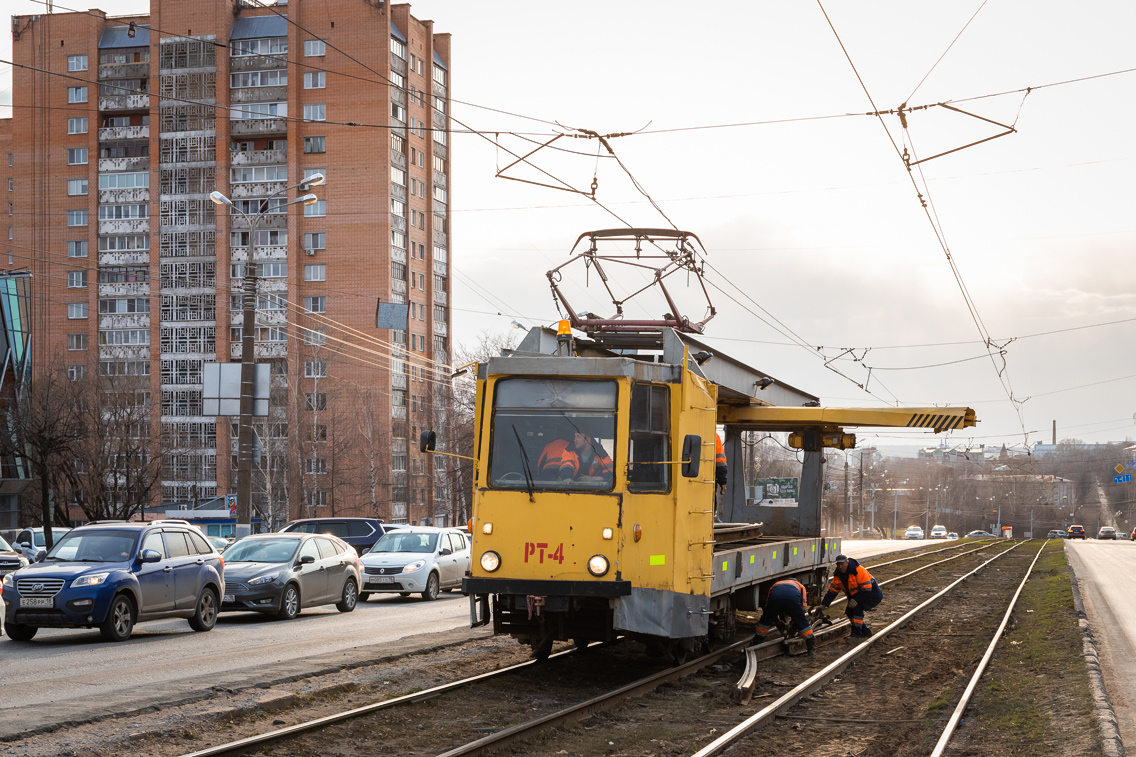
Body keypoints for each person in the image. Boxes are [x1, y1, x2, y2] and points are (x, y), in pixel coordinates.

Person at [821, 554, 883, 638]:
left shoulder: (859, 571)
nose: (840, 566)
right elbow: (832, 591)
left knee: (857, 611)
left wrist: (856, 600)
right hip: (857, 596)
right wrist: (824, 603)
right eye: (838, 564)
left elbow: (867, 589)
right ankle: (865, 633)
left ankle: (856, 636)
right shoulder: (838, 575)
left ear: (847, 562)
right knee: (849, 611)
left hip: (871, 595)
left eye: (842, 564)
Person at [752, 578, 815, 654]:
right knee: (802, 621)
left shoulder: (775, 584)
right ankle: (810, 644)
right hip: (792, 600)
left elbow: (768, 605)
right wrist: (796, 620)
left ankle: (757, 640)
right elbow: (803, 607)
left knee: (765, 620)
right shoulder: (801, 586)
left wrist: (774, 619)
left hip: (776, 600)